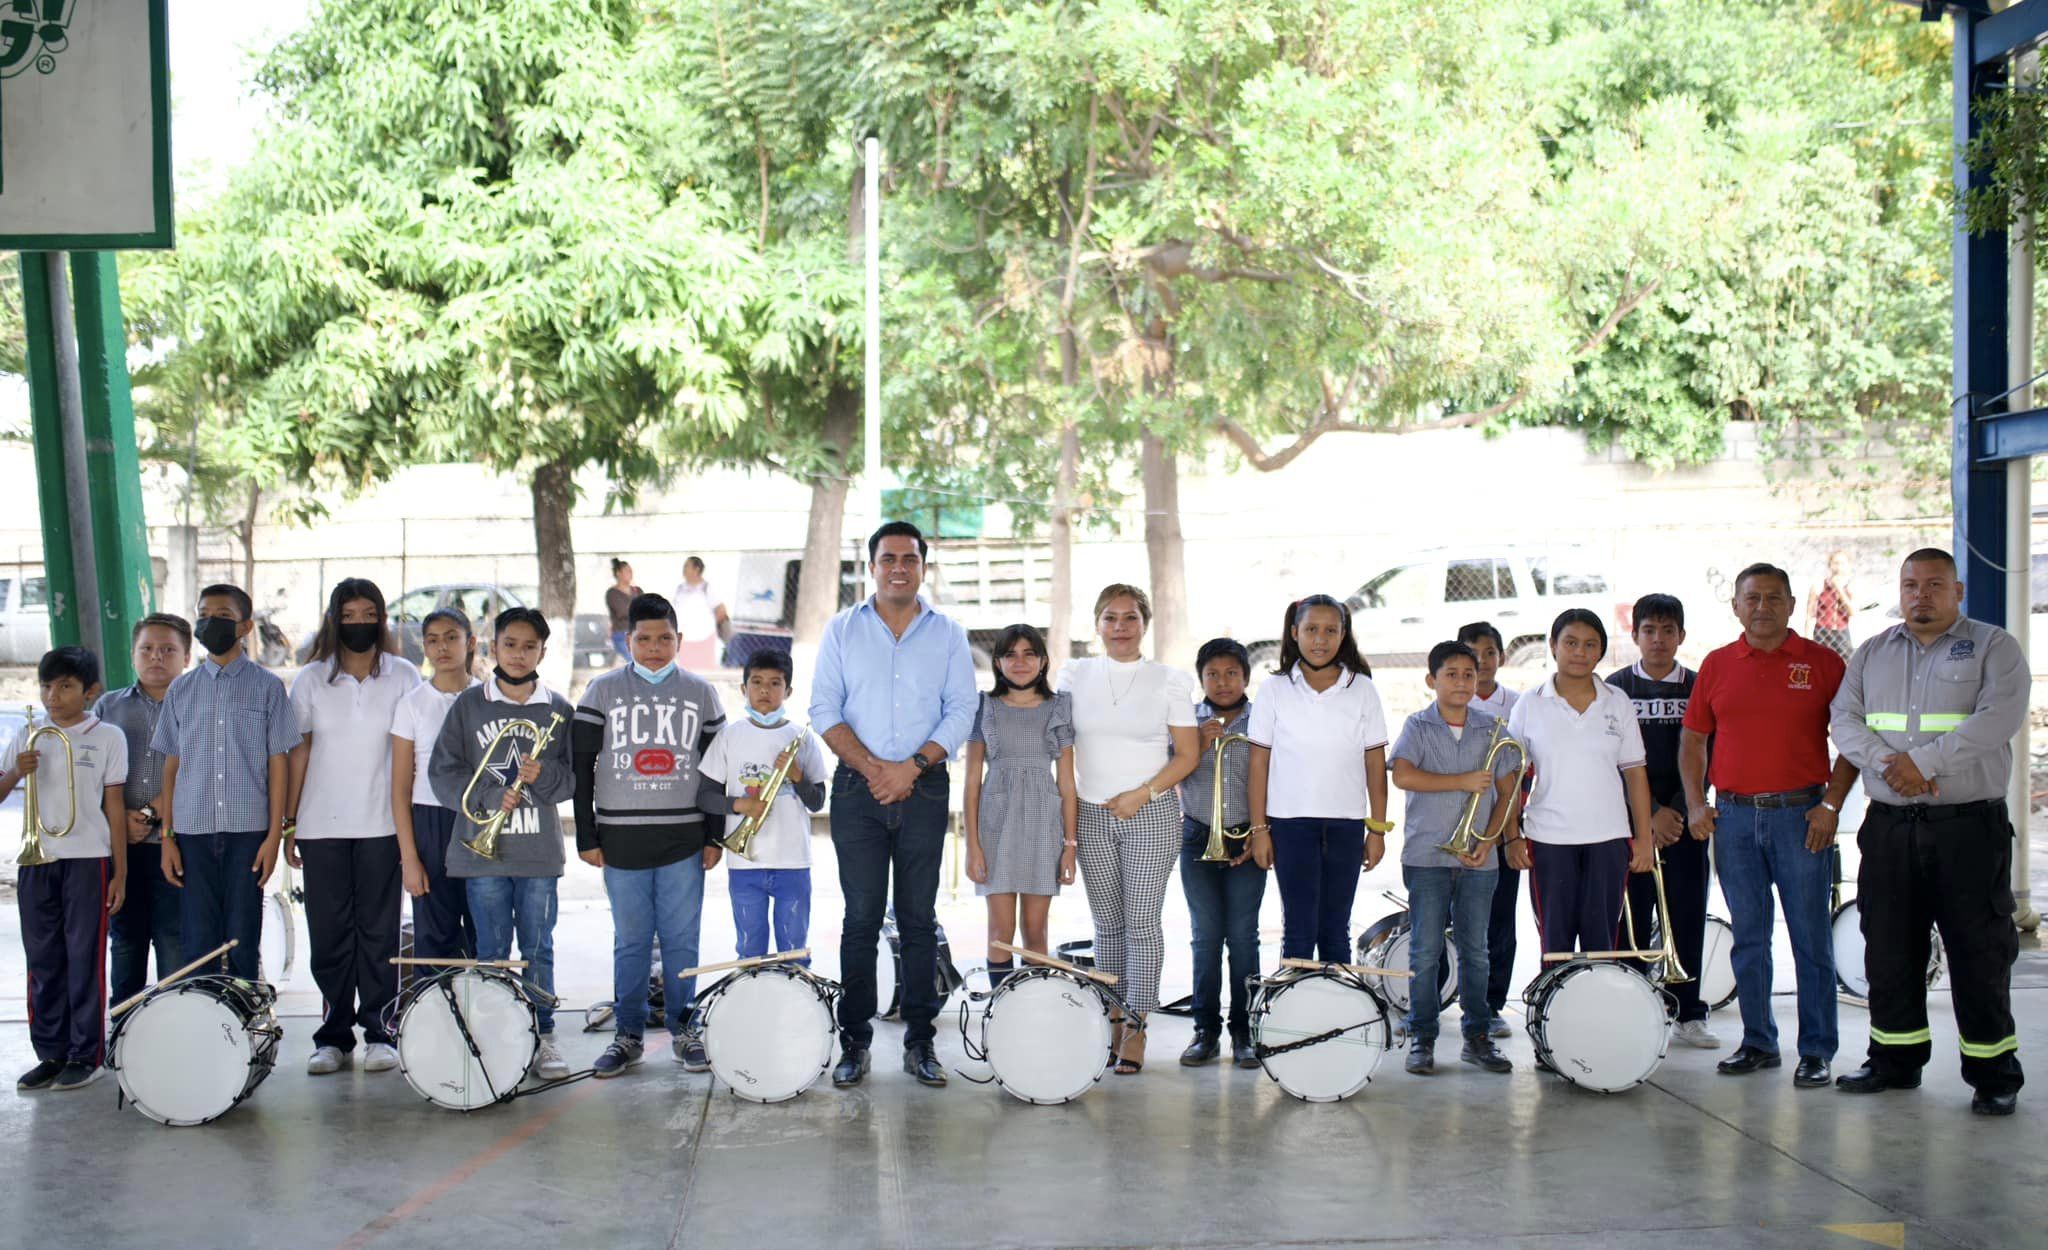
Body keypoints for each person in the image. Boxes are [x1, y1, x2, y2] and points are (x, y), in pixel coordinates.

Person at [1829, 549, 2027, 1116]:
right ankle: (1895, 1060)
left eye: (1935, 585)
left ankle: (1994, 1075)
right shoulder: (1871, 651)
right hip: (1889, 828)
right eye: (1911, 584)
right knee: (1888, 947)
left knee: (1978, 950)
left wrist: (1927, 763)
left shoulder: (1994, 647)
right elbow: (1845, 719)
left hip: (1968, 829)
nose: (1921, 595)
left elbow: (1997, 718)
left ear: (1957, 592)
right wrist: (1892, 763)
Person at [810, 521, 977, 1089]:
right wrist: (876, 770)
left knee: (918, 919)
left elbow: (961, 711)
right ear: (873, 565)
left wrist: (912, 767)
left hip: (925, 788)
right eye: (888, 558)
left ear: (923, 567)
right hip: (858, 792)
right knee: (860, 920)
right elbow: (823, 710)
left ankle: (920, 1043)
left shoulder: (949, 634)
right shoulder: (842, 630)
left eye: (909, 558)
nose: (898, 566)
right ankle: (854, 1043)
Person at [1680, 562, 1854, 1089]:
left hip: (1802, 820)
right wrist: (1695, 803)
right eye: (1751, 598)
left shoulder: (1823, 664)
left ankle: (1817, 1049)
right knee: (1750, 939)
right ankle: (1758, 1041)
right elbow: (1692, 742)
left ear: (1791, 605)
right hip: (1732, 820)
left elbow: (1855, 741)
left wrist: (1832, 807)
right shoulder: (1716, 665)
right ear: (1736, 606)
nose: (1762, 607)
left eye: (1774, 597)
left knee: (1810, 938)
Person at [575, 593, 728, 1078]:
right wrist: (586, 834)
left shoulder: (701, 693)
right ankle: (628, 1034)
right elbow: (582, 767)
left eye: (665, 638)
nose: (655, 647)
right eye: (645, 639)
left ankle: (685, 1028)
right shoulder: (601, 691)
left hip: (684, 838)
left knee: (683, 940)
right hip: (621, 839)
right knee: (632, 941)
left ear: (680, 640)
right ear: (628, 640)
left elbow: (716, 773)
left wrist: (714, 836)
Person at [1058, 584, 1201, 1075]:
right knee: (1107, 926)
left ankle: (1138, 1026)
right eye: (1110, 618)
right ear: (1096, 625)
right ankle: (1112, 1016)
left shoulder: (1168, 680)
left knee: (1141, 924)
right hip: (1093, 812)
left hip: (1151, 814)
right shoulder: (1075, 675)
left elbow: (1188, 755)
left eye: (1130, 618)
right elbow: (1063, 747)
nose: (1120, 627)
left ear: (1145, 623)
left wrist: (1144, 793)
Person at [429, 607, 576, 1082]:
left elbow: (572, 780)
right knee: (491, 948)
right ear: (493, 647)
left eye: (529, 646)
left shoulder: (558, 709)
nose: (518, 654)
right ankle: (497, 1035)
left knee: (538, 946)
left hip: (538, 853)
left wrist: (545, 774)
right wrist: (493, 795)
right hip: (481, 852)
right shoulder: (469, 706)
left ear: (542, 652)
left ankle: (543, 1033)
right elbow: (443, 773)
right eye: (509, 644)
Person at [286, 578, 424, 1076]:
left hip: (384, 825)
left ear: (381, 618)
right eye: (349, 615)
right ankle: (332, 1037)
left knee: (379, 932)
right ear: (333, 619)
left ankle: (380, 1033)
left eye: (369, 614)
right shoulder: (311, 680)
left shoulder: (405, 676)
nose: (359, 623)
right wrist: (289, 823)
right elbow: (297, 752)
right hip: (320, 826)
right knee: (329, 934)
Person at [1388, 641, 1520, 1077]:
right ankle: (1422, 1036)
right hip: (1427, 854)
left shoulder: (1493, 728)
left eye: (1469, 674)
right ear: (1432, 681)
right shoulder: (1418, 725)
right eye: (1452, 674)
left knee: (1476, 951)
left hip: (1478, 856)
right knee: (1425, 950)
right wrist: (1461, 780)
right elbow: (1403, 774)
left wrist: (1491, 838)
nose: (1462, 681)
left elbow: (1507, 794)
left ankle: (1477, 1037)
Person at [155, 584, 300, 981]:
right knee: (198, 941)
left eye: (222, 615)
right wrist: (167, 835)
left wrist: (275, 836)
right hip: (191, 833)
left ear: (245, 626)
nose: (210, 622)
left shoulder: (267, 687)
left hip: (248, 835)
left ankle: (245, 1029)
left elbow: (279, 766)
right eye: (204, 614)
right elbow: (171, 766)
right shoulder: (181, 690)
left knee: (242, 936)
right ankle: (205, 1023)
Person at [3, 647, 127, 1091]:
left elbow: (114, 807)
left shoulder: (108, 736)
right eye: (47, 686)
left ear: (90, 691)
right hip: (38, 861)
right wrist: (16, 772)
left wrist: (120, 873)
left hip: (89, 861)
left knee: (84, 958)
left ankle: (86, 1054)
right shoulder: (29, 734)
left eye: (66, 686)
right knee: (42, 961)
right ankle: (50, 1052)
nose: (53, 696)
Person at [1246, 596, 1390, 966]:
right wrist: (1260, 828)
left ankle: (1339, 1016)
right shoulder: (1275, 690)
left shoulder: (1362, 689)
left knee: (1335, 927)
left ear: (1344, 635)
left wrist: (1376, 830)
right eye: (1311, 629)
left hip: (1346, 823)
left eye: (1331, 630)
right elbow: (1259, 763)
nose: (1320, 639)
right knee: (1298, 926)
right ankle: (1294, 1015)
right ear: (1295, 633)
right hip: (1289, 823)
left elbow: (1375, 763)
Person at [1504, 610, 1654, 961]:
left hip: (1609, 839)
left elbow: (1635, 774)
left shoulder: (1617, 701)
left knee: (1601, 941)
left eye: (1590, 645)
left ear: (1601, 651)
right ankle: (1551, 1015)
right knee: (1554, 945)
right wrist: (1512, 836)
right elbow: (1509, 777)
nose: (1580, 652)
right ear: (1553, 646)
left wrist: (1644, 840)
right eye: (1570, 642)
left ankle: (1597, 1013)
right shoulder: (1531, 703)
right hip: (1549, 839)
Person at [1605, 594, 1719, 1050]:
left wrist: (1678, 809)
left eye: (1667, 631)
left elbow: (1709, 751)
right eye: (1649, 630)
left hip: (1687, 821)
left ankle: (1687, 1011)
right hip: (1633, 824)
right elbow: (1612, 759)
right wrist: (1649, 815)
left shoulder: (1698, 685)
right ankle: (1634, 1008)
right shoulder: (1614, 689)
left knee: (1687, 915)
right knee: (1631, 917)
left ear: (1681, 636)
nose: (1658, 639)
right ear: (1635, 636)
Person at [960, 625, 1077, 988]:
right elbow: (971, 781)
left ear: (1043, 661)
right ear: (997, 662)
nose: (1020, 662)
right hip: (996, 825)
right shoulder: (985, 707)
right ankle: (1002, 1011)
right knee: (1000, 929)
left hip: (1044, 824)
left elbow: (1068, 782)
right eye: (1010, 654)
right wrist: (972, 845)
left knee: (1035, 929)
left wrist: (1070, 846)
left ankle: (1033, 1010)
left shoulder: (1058, 707)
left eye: (1029, 654)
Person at [698, 650, 828, 962]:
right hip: (745, 865)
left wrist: (797, 775)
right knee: (749, 949)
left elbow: (817, 801)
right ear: (743, 689)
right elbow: (705, 797)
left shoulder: (801, 738)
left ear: (789, 691)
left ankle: (795, 1006)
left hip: (793, 861)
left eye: (774, 683)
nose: (765, 691)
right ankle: (753, 1005)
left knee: (793, 951)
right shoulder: (729, 736)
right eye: (756, 683)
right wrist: (740, 804)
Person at [1176, 637, 1266, 1070]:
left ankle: (1246, 1031)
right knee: (1206, 937)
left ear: (1246, 677)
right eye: (1213, 674)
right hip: (1197, 837)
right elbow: (1167, 769)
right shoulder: (1187, 720)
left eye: (1232, 673)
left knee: (1244, 937)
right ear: (1201, 680)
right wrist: (1193, 743)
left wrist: (1264, 833)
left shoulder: (1261, 719)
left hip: (1247, 837)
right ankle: (1204, 1030)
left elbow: (1275, 777)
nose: (1223, 681)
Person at [97, 613, 191, 1007]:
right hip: (122, 848)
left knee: (174, 943)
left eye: (168, 650)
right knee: (126, 943)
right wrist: (119, 821)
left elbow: (194, 767)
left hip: (178, 847)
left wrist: (149, 815)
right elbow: (95, 776)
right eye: (147, 649)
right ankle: (123, 1035)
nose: (157, 657)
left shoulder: (197, 707)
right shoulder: (108, 707)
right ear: (133, 654)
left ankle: (170, 1037)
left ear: (186, 657)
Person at [390, 608, 482, 962]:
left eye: (451, 638)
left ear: (470, 643)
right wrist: (410, 858)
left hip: (480, 819)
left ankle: (483, 1012)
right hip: (430, 823)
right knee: (434, 933)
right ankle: (437, 1014)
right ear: (424, 648)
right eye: (432, 640)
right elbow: (400, 787)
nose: (442, 647)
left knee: (484, 928)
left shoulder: (488, 697)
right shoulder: (412, 704)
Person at [1459, 620, 1521, 1040]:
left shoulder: (1519, 706)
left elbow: (1521, 774)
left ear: (1501, 657)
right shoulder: (1450, 700)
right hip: (1457, 832)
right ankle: (1454, 999)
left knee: (1500, 919)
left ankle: (1492, 1004)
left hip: (1501, 831)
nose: (1482, 662)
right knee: (1456, 921)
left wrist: (1510, 831)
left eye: (1490, 653)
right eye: (1472, 654)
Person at [673, 556, 730, 673]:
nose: (683, 569)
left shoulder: (707, 588)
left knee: (704, 673)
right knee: (686, 673)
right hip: (685, 640)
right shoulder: (680, 588)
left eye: (686, 566)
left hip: (704, 638)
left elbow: (721, 610)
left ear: (696, 569)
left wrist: (707, 625)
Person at [1808, 550, 1856, 659]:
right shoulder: (1819, 585)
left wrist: (1839, 588)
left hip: (1841, 632)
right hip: (1822, 631)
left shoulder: (1850, 586)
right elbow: (1810, 615)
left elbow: (1852, 611)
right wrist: (1807, 638)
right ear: (1830, 565)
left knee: (1845, 664)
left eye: (1842, 563)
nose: (1838, 567)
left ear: (1848, 566)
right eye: (1835, 563)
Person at [605, 558, 640, 660]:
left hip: (640, 633)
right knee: (635, 662)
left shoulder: (637, 590)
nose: (631, 573)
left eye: (631, 570)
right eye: (627, 571)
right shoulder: (612, 593)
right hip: (622, 635)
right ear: (618, 573)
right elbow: (623, 612)